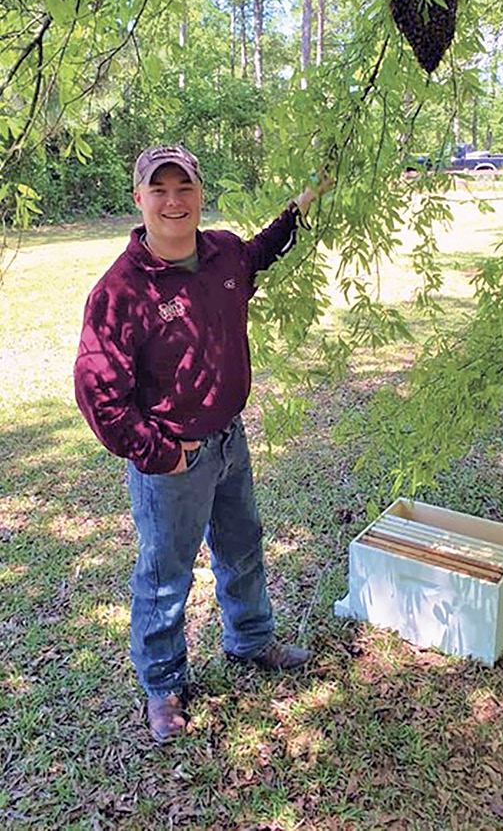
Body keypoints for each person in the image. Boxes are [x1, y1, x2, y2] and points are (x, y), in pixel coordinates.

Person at [74, 143, 330, 744]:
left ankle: (249, 640)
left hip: (228, 442)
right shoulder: (119, 292)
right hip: (172, 461)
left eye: (183, 187)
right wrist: (162, 452)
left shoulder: (221, 253)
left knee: (242, 548)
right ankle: (163, 684)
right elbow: (99, 394)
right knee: (165, 576)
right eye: (158, 189)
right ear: (138, 199)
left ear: (198, 193)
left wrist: (303, 203)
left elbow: (263, 250)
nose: (172, 200)